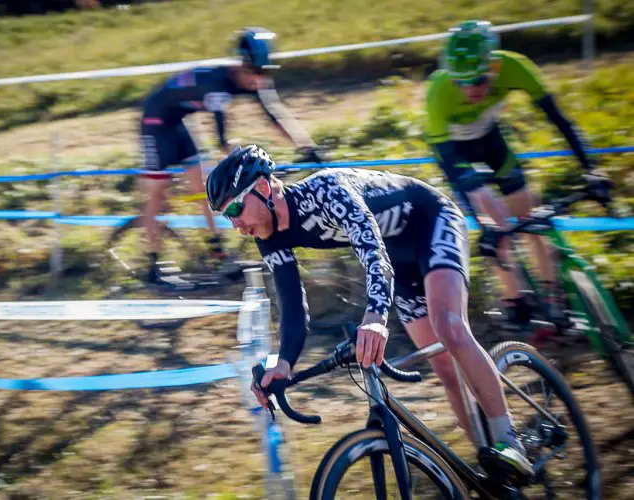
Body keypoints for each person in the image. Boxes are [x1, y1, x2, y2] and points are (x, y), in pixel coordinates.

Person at [206, 144, 534, 479]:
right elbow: (291, 304)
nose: (235, 224)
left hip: (433, 223)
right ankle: (490, 465)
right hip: (400, 259)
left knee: (449, 328)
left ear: (262, 188)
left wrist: (376, 316)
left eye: (235, 207)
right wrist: (285, 362)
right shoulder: (268, 234)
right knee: (445, 370)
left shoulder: (327, 191)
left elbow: (372, 250)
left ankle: (510, 443)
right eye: (226, 216)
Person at [425, 20, 610, 326]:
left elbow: (560, 120)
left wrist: (593, 168)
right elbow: (446, 159)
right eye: (462, 82)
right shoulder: (439, 91)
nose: (471, 89)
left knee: (532, 219)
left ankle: (554, 299)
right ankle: (515, 301)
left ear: (494, 66)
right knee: (494, 220)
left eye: (479, 80)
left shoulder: (514, 67)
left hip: (492, 142)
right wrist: (485, 223)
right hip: (456, 155)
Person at [138, 26, 322, 287]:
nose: (260, 79)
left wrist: (307, 146)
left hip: (179, 121)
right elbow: (223, 140)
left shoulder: (252, 79)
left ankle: (217, 254)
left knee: (202, 188)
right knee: (158, 191)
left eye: (265, 73)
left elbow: (275, 115)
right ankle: (152, 263)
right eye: (256, 73)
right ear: (242, 66)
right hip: (156, 119)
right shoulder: (217, 84)